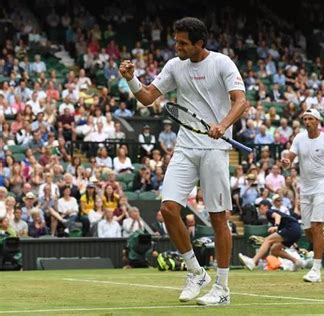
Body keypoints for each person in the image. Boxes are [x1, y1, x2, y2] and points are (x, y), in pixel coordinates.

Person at [119, 17, 247, 305]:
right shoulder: (175, 66)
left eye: (183, 43)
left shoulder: (223, 63)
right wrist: (130, 78)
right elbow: (148, 97)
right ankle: (195, 271)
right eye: (176, 41)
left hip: (215, 149)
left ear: (200, 43)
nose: (177, 46)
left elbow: (241, 101)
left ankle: (222, 288)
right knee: (168, 209)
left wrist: (223, 125)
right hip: (185, 147)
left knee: (218, 218)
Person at [281, 108, 324, 283]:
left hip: (323, 186)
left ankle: (316, 270)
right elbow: (289, 159)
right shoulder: (298, 138)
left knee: (317, 226)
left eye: (310, 119)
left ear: (317, 121)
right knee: (309, 231)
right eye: (305, 119)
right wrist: (286, 163)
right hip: (305, 188)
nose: (307, 122)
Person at [238, 200, 304, 271]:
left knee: (268, 241)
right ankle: (296, 261)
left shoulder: (269, 212)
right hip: (296, 230)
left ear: (265, 207)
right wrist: (297, 248)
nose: (259, 209)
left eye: (260, 207)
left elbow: (277, 216)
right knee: (274, 250)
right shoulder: (272, 218)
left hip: (292, 228)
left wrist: (276, 226)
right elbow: (281, 236)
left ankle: (253, 262)